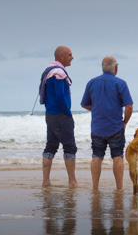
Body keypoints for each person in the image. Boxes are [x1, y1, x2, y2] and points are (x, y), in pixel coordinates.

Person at [81, 55, 134, 191]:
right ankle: (119, 188)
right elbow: (129, 106)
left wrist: (97, 108)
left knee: (96, 156)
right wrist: (125, 122)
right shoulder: (120, 83)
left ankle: (95, 188)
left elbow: (84, 104)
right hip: (115, 127)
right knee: (117, 156)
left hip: (97, 127)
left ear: (102, 68)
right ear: (116, 68)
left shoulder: (92, 82)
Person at [40, 45, 80, 188]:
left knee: (50, 146)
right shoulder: (58, 73)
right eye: (70, 55)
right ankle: (72, 182)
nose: (72, 57)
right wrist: (68, 114)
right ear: (61, 57)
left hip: (50, 114)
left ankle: (45, 181)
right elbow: (60, 96)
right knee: (70, 147)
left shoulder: (48, 71)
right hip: (60, 115)